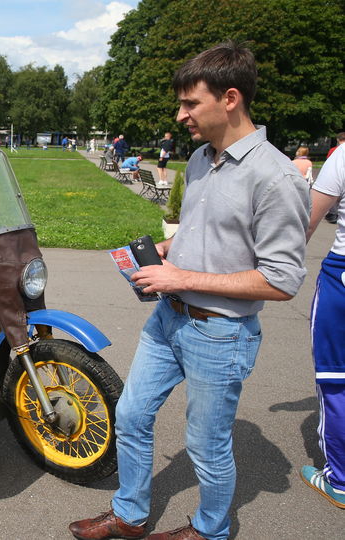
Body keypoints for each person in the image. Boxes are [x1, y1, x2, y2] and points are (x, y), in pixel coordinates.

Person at [69, 41, 309, 540]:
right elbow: (200, 231)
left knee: (206, 445)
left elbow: (282, 280)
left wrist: (180, 278)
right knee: (130, 414)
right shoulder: (202, 158)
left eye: (189, 103)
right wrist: (163, 248)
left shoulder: (277, 176)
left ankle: (209, 530)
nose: (180, 115)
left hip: (220, 333)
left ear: (231, 98)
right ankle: (130, 515)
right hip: (168, 318)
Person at [302, 137, 345, 509]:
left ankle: (341, 481)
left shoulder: (342, 157)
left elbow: (307, 224)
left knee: (336, 380)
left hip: (342, 278)